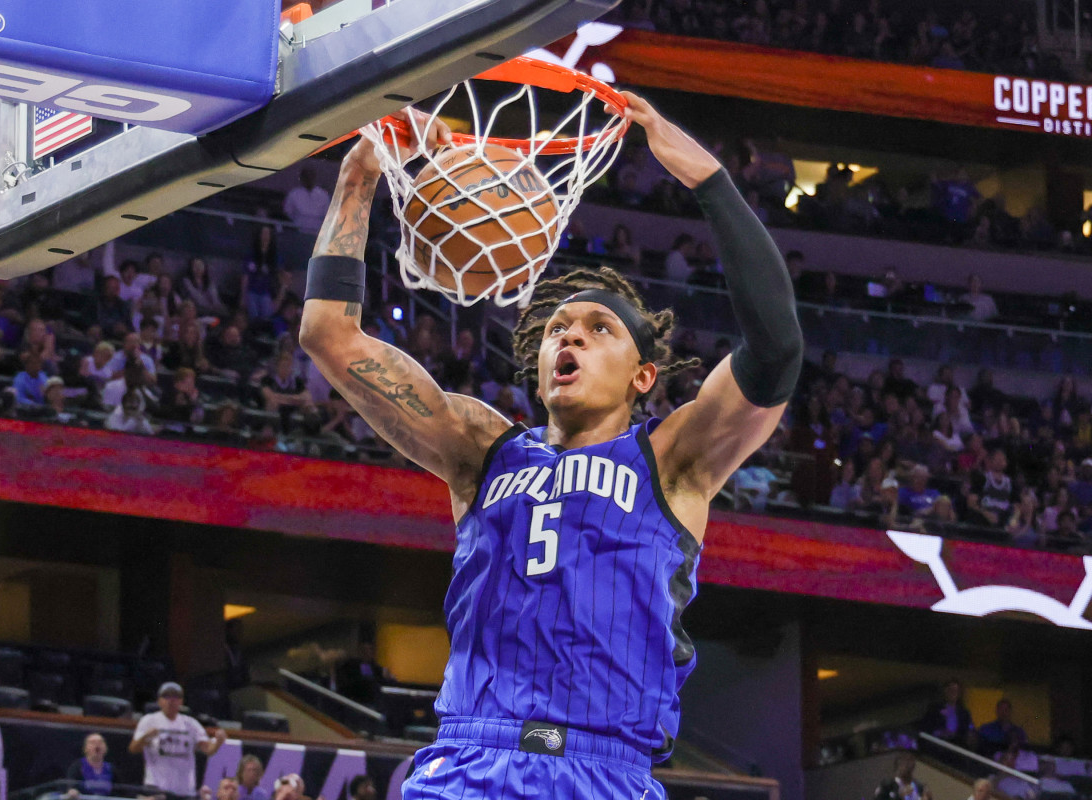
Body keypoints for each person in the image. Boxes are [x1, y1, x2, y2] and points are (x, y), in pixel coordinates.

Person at [300, 95, 802, 800]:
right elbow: (331, 335)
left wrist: (710, 183)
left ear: (643, 374)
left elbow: (776, 350)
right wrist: (359, 173)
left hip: (604, 771)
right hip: (468, 763)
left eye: (599, 329)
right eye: (558, 327)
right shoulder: (481, 448)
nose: (568, 336)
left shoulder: (673, 461)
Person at [129, 682, 227, 797]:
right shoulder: (149, 720)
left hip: (184, 790)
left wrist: (219, 742)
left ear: (181, 701)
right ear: (159, 701)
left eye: (175, 697)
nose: (171, 700)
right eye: (166, 696)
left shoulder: (191, 724)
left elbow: (208, 749)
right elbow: (133, 748)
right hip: (156, 788)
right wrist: (146, 737)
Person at [920, 679, 974, 745]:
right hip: (938, 744)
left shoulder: (964, 713)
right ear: (945, 691)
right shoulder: (934, 709)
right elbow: (926, 727)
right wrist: (939, 733)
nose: (952, 693)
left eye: (955, 691)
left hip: (958, 745)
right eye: (950, 690)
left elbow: (968, 730)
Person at [283, 165, 331, 233]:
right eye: (306, 176)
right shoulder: (294, 194)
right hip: (298, 230)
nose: (309, 179)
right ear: (302, 178)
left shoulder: (323, 195)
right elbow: (288, 212)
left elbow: (327, 214)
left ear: (314, 178)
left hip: (317, 231)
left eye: (311, 176)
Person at [65, 733, 114, 798]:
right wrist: (72, 791)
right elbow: (71, 787)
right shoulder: (77, 767)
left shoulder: (111, 768)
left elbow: (121, 792)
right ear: (85, 748)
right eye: (92, 742)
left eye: (100, 742)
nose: (97, 744)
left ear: (105, 748)